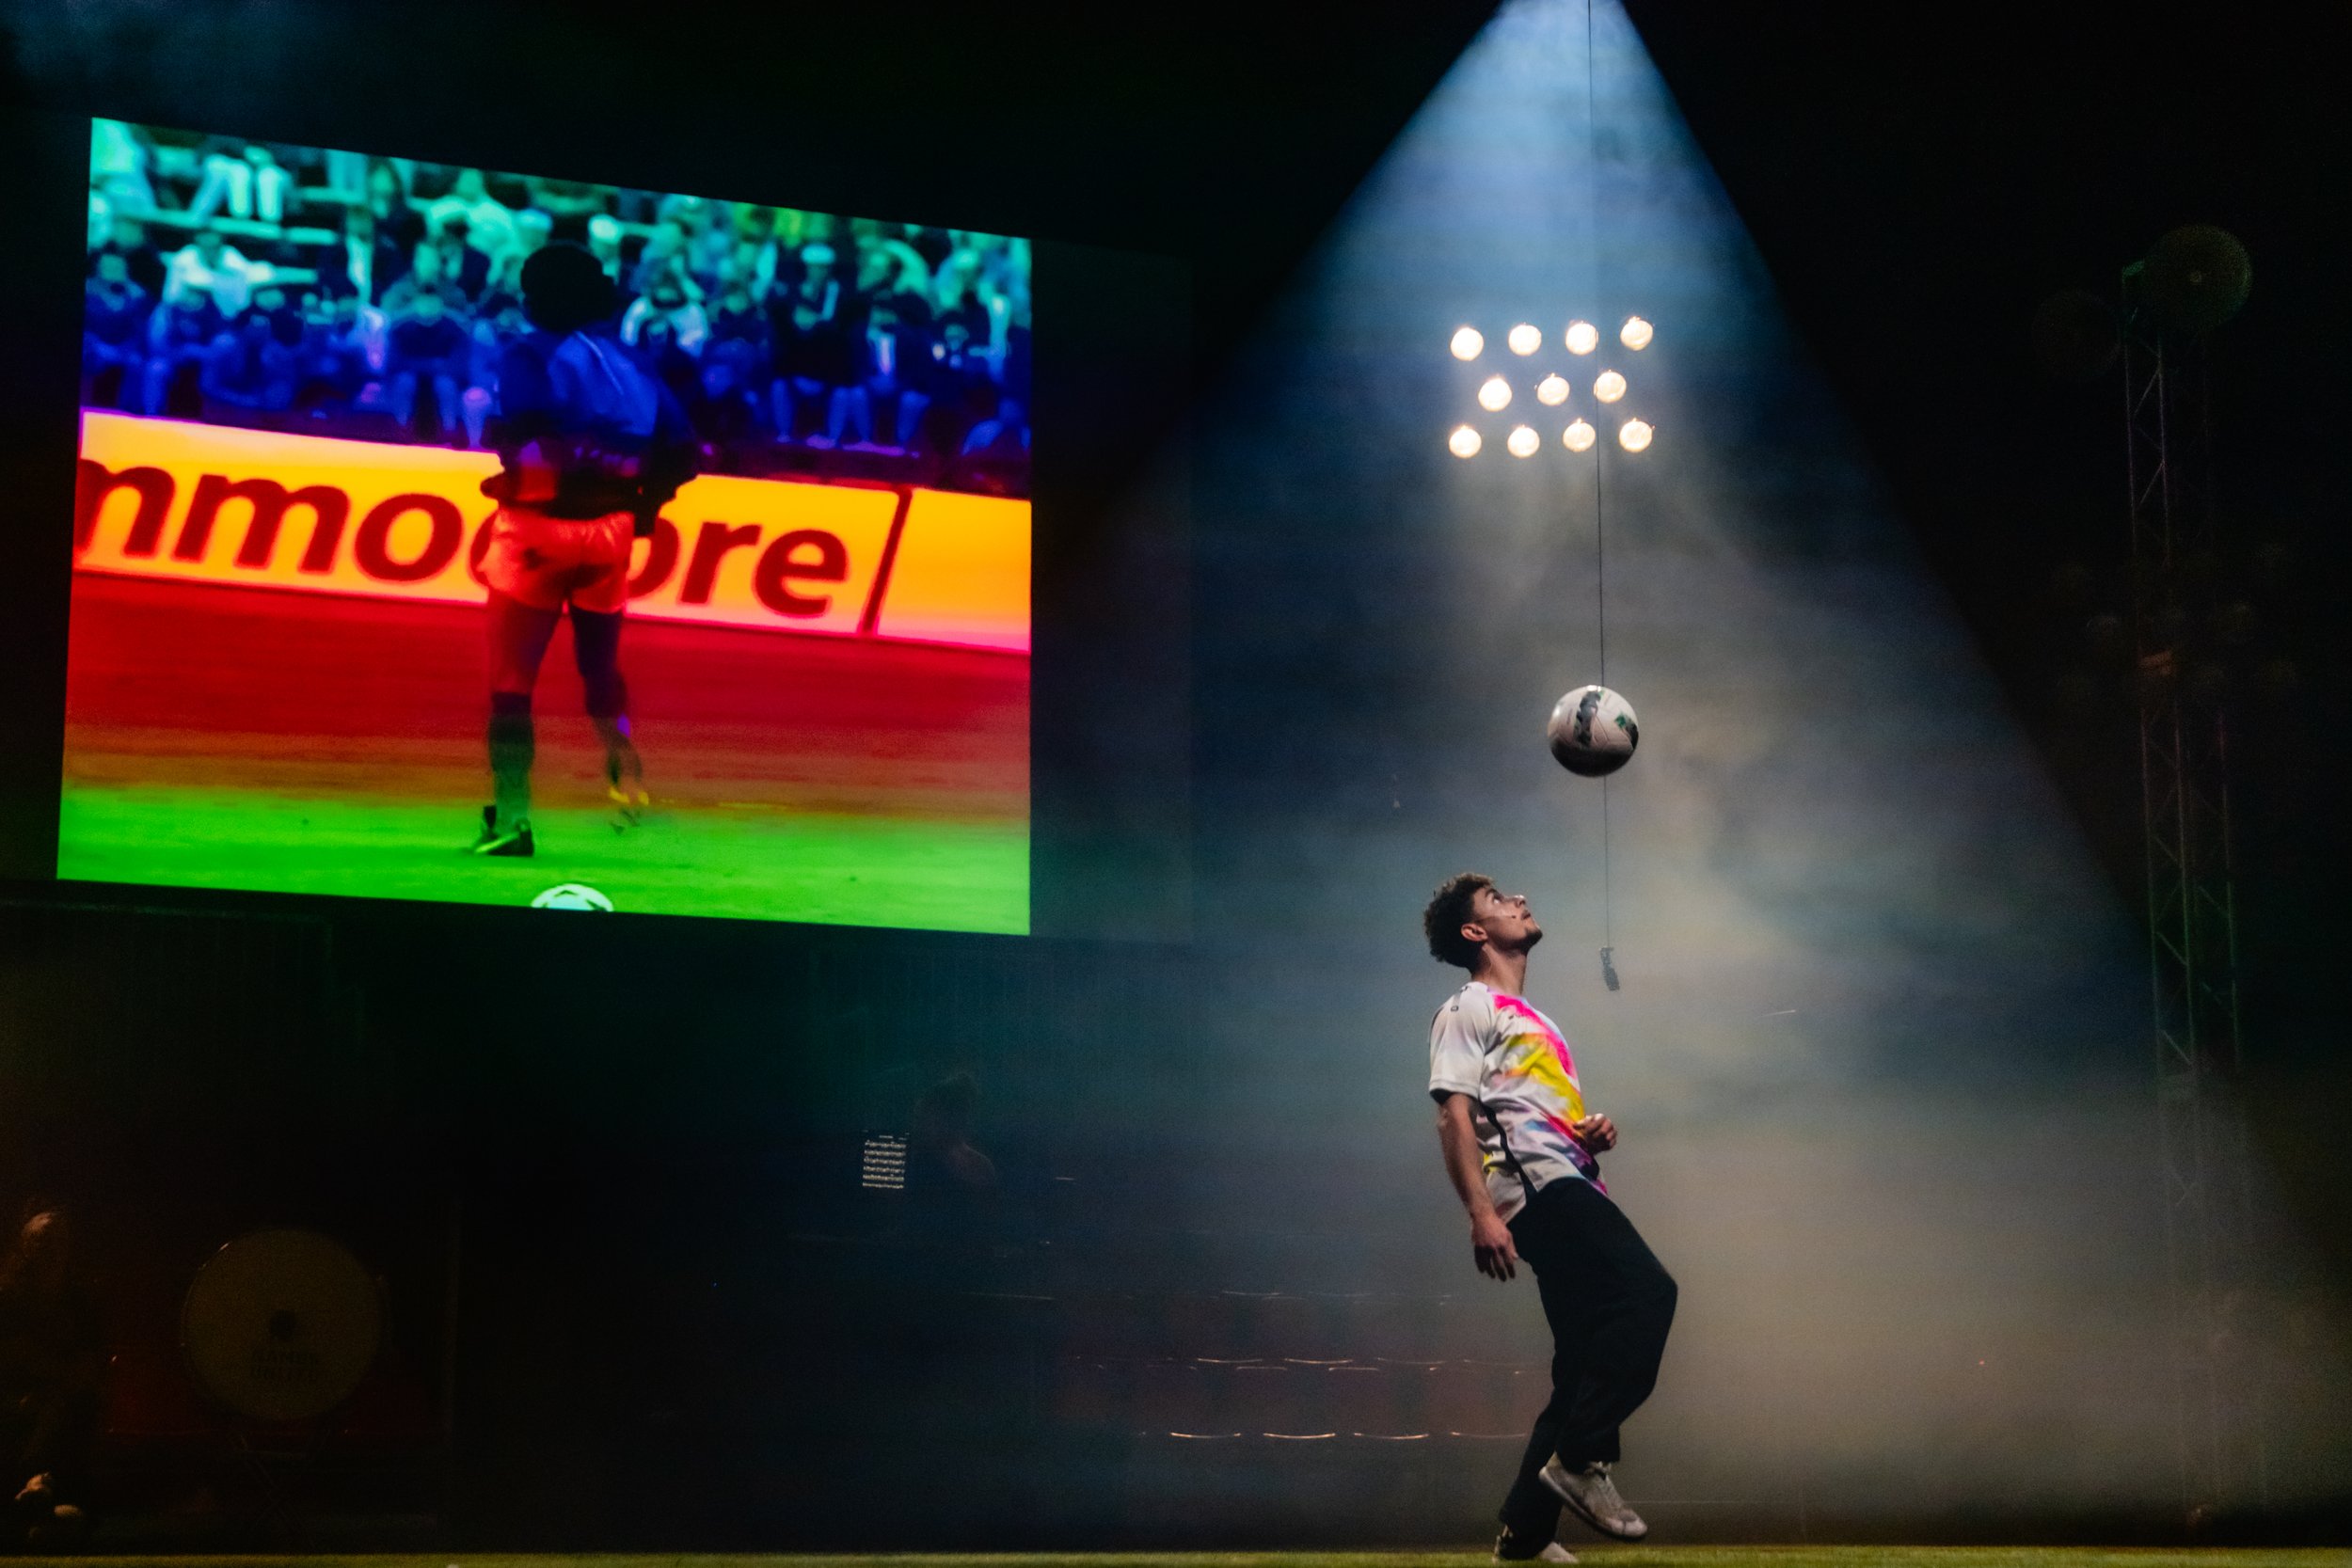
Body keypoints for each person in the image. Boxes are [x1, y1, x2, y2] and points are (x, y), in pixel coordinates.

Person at [1422, 874, 1676, 1562]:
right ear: (1475, 933)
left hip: (1563, 1176)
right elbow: (1454, 1113)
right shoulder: (1468, 1006)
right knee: (1649, 1293)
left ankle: (1525, 1534)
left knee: (1580, 1365)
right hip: (1538, 1192)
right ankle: (1584, 1459)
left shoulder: (1535, 1019)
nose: (1520, 900)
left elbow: (1523, 1113)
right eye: (1499, 900)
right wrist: (1480, 1211)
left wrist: (1584, 1133)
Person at [469, 242, 696, 857]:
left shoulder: (528, 353)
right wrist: (642, 510)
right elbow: (685, 451)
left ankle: (511, 819)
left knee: (512, 684)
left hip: (538, 530)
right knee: (600, 668)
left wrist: (511, 457)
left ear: (536, 294)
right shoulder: (633, 364)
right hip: (611, 532)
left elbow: (530, 432)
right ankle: (629, 784)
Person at [0, 1206, 103, 1543]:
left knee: (69, 1407)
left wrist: (53, 1388)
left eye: (60, 1240)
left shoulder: (82, 1301)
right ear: (27, 1246)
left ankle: (39, 1493)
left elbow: (88, 1366)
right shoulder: (8, 1298)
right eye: (44, 1241)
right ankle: (35, 1486)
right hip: (12, 1395)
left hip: (62, 1398)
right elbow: (13, 1355)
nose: (53, 1249)